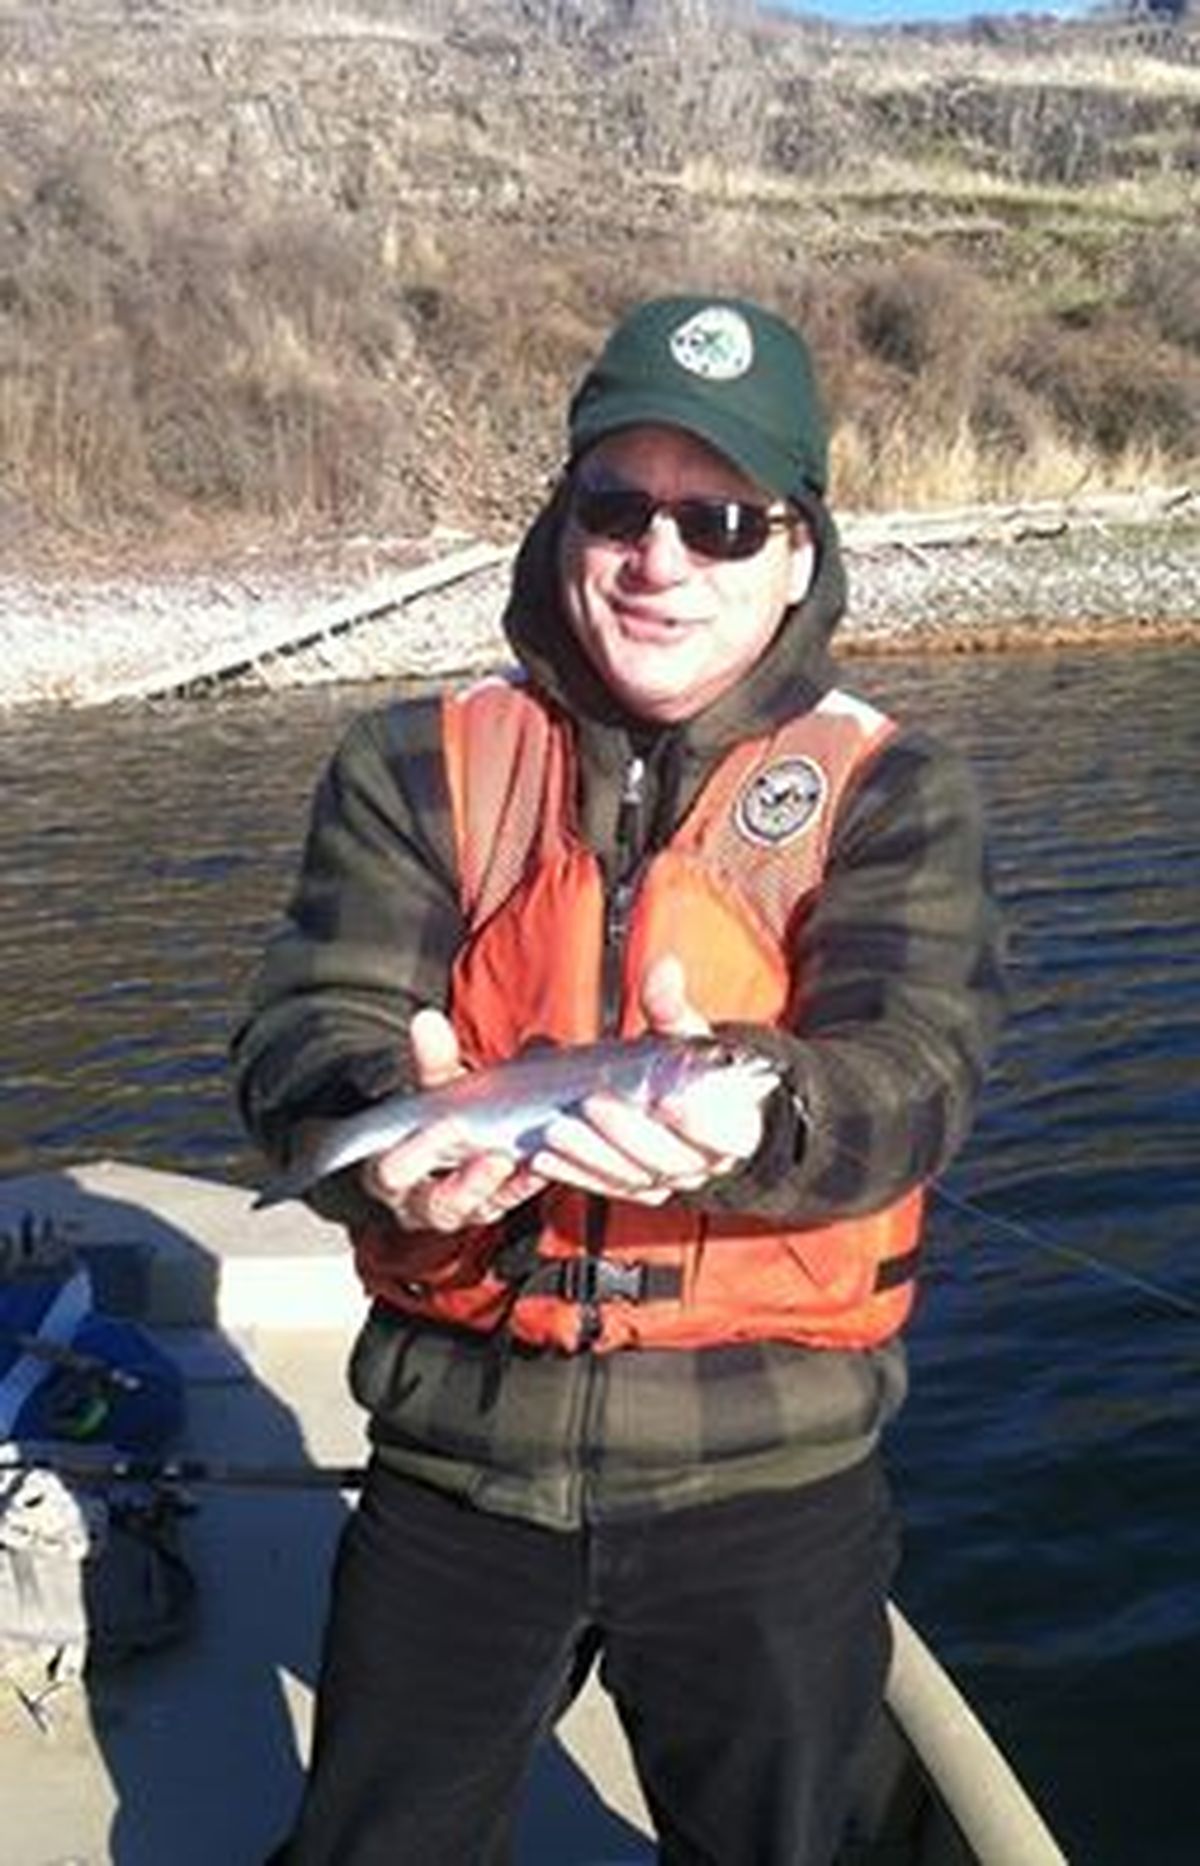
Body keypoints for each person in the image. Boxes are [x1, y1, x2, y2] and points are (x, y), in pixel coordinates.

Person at [232, 293, 1005, 1865]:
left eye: (721, 518)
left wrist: (765, 1112)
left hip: (773, 1483)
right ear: (564, 519)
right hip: (459, 1461)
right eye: (620, 505)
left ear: (796, 551)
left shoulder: (893, 787)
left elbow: (916, 1073)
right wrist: (378, 1127)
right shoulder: (410, 761)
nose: (662, 559)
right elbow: (305, 1026)